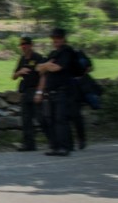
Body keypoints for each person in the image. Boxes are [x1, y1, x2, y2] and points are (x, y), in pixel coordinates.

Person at [34, 27, 77, 156]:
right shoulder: (53, 53)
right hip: (51, 92)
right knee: (51, 119)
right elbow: (38, 69)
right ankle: (55, 147)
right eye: (54, 38)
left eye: (58, 38)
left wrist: (46, 65)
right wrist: (47, 65)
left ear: (63, 39)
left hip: (63, 90)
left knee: (60, 119)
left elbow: (56, 68)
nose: (55, 40)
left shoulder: (67, 51)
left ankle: (64, 147)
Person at [12, 36, 47, 151]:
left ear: (31, 45)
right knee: (26, 119)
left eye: (26, 44)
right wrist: (20, 72)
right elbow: (13, 76)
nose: (24, 47)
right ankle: (29, 144)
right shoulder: (22, 59)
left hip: (35, 89)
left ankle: (53, 140)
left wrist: (39, 92)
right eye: (22, 45)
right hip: (26, 91)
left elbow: (43, 76)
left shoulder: (38, 58)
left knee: (41, 118)